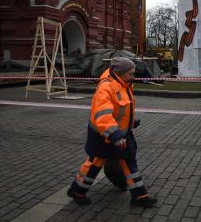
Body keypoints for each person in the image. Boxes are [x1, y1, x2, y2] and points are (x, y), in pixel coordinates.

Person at [67, 57, 157, 207]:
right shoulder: (106, 88)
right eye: (131, 74)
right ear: (119, 73)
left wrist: (131, 122)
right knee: (94, 164)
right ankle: (77, 191)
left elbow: (122, 109)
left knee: (129, 162)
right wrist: (114, 134)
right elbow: (103, 116)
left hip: (119, 135)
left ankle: (140, 196)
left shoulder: (124, 83)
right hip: (104, 136)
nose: (133, 77)